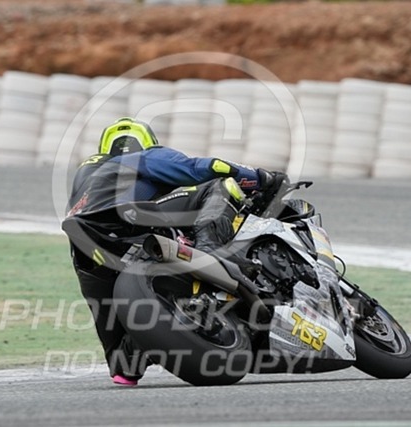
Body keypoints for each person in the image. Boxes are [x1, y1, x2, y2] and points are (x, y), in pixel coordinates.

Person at [62, 117, 287, 386]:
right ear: (147, 142)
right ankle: (211, 250)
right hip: (128, 219)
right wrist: (261, 178)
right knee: (219, 185)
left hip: (86, 252)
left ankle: (133, 354)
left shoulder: (84, 178)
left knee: (120, 359)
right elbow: (205, 168)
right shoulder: (145, 156)